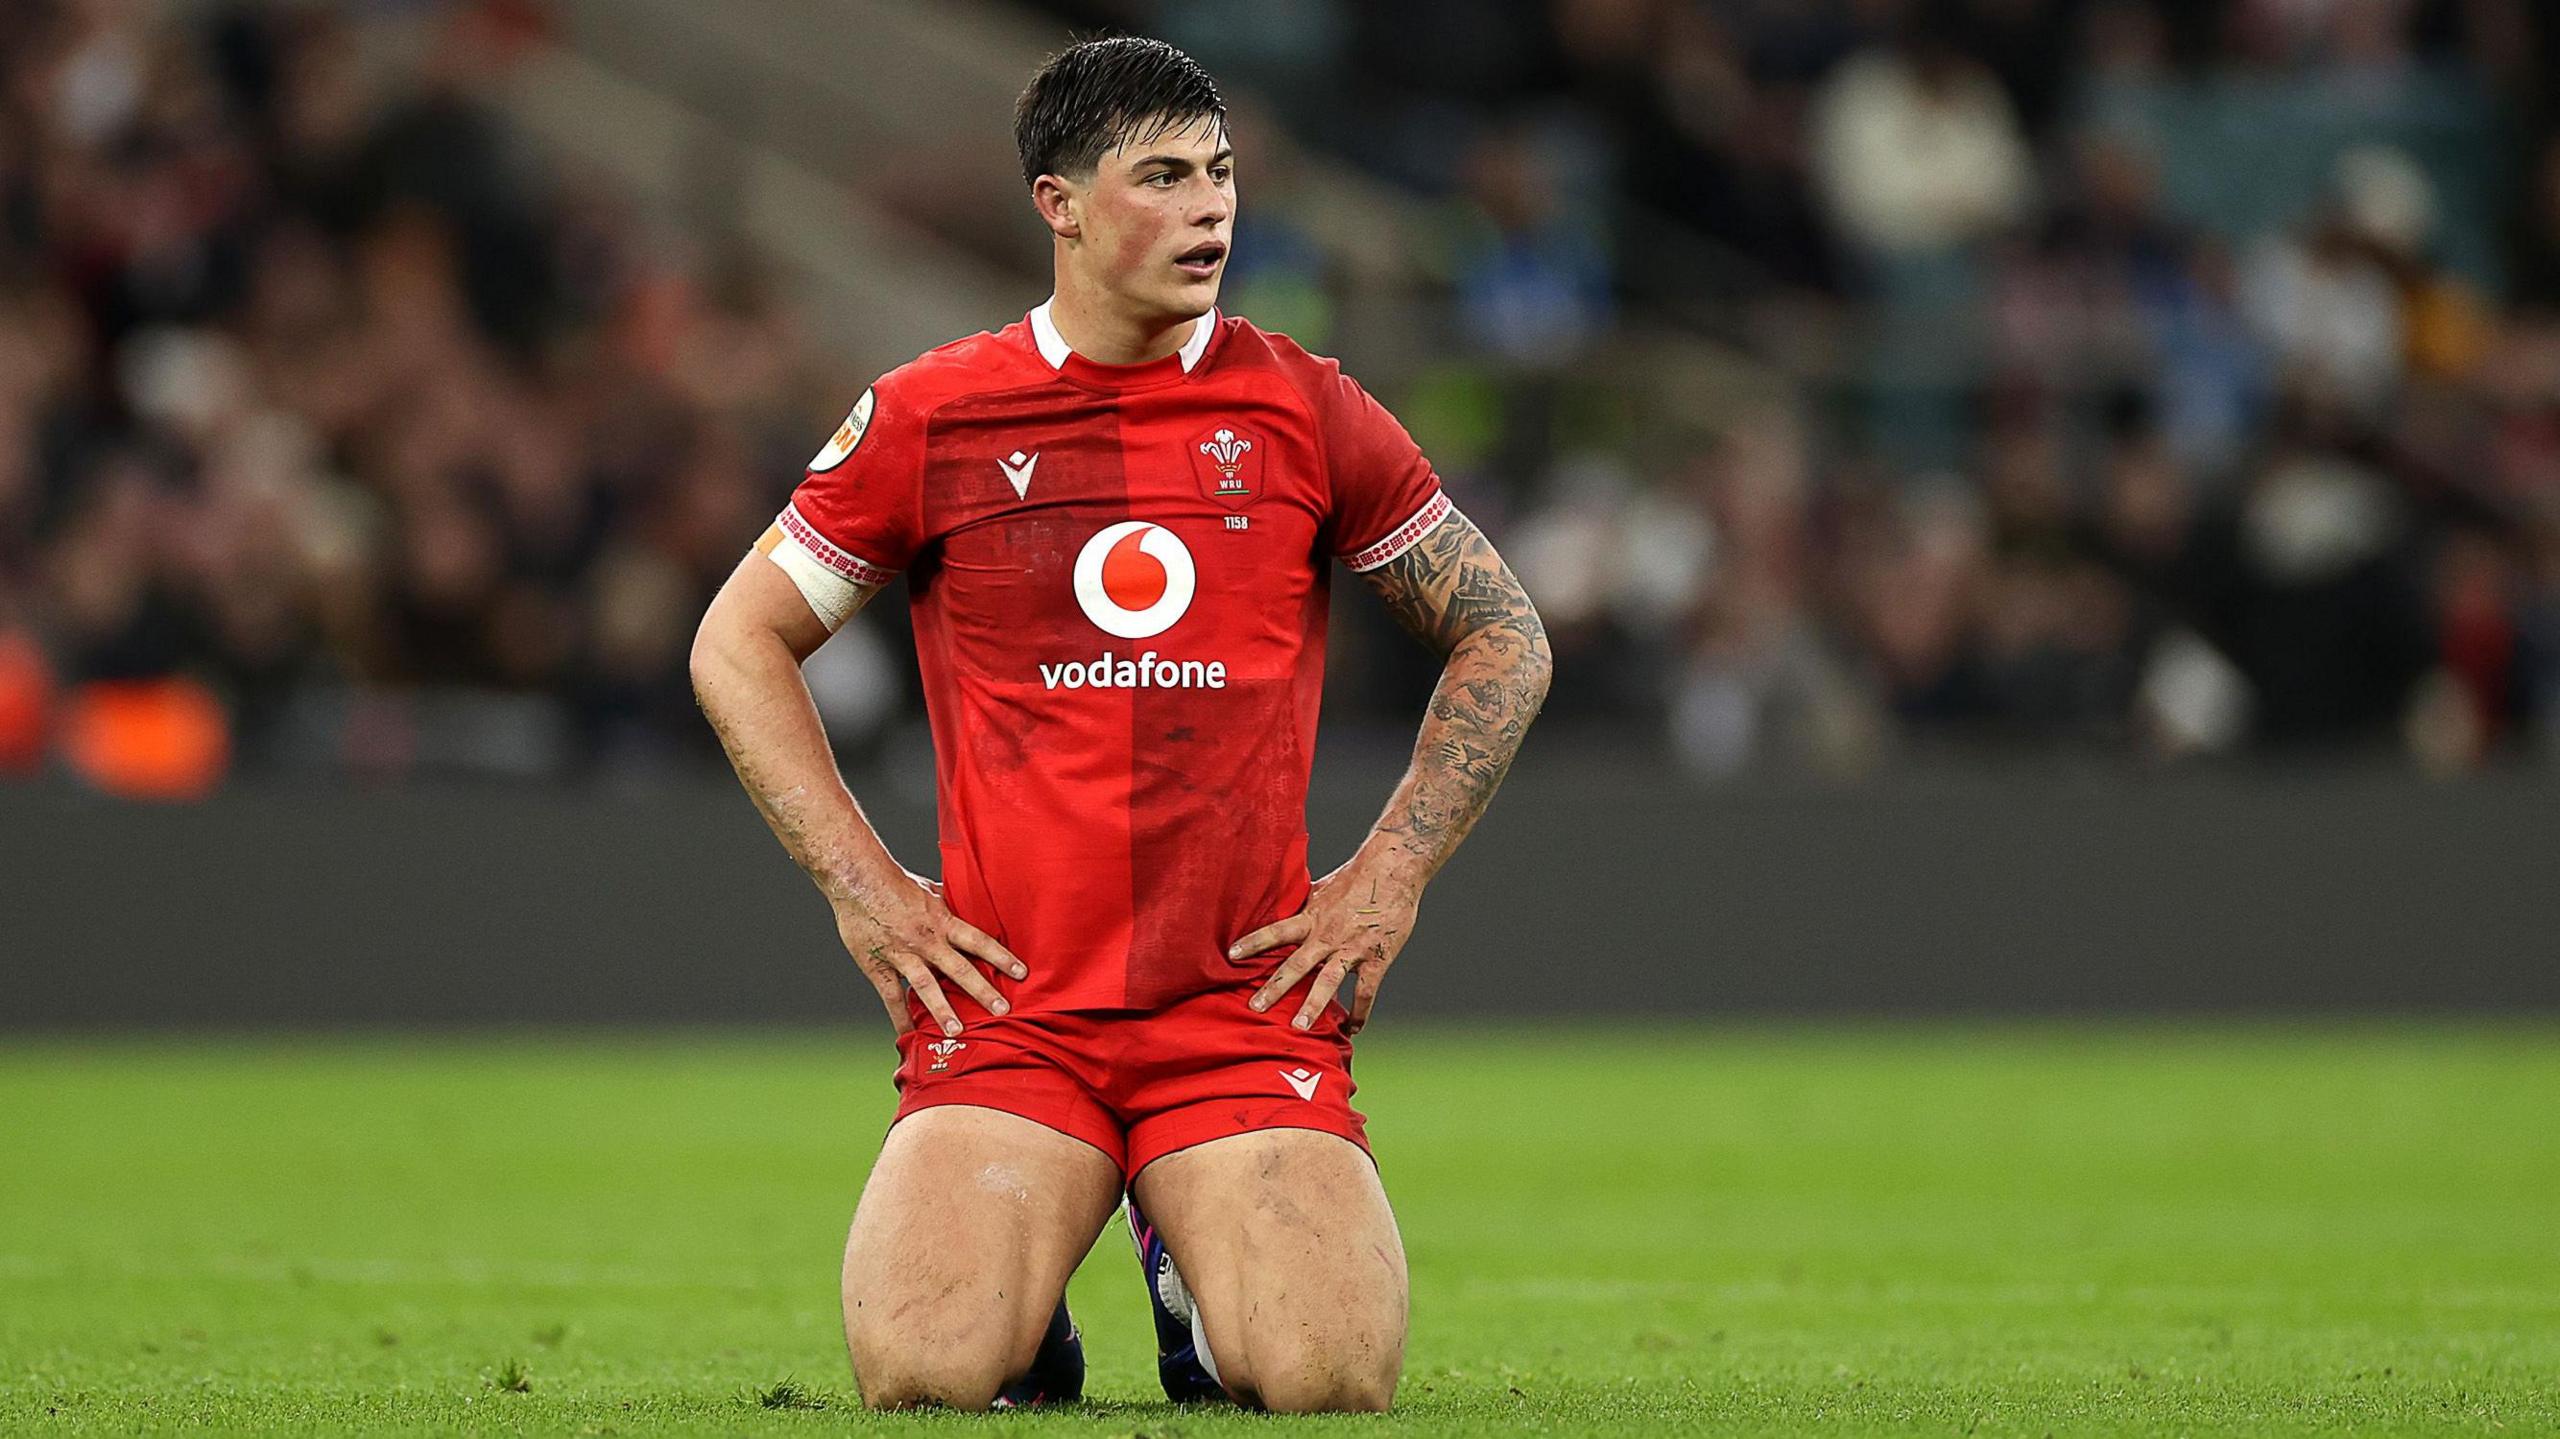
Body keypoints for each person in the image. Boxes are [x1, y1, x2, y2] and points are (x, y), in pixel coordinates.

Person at [689, 36, 1551, 1413]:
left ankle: (1190, 1299)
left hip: (1237, 1006)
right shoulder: (933, 415)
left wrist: (1389, 877)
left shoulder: (1306, 407)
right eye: (1163, 175)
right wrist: (866, 891)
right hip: (1015, 1012)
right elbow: (739, 642)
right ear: (1062, 204)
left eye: (1220, 174)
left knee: (1326, 1378)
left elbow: (1504, 634)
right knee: (925, 1370)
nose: (1212, 207)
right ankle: (1027, 1316)